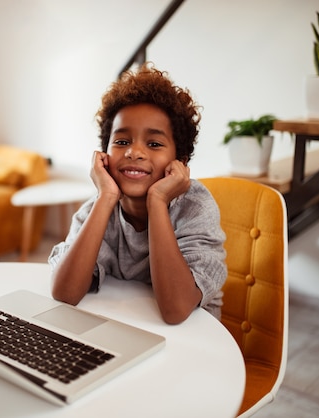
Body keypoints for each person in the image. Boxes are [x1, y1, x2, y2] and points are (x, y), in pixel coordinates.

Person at [48, 63, 226, 325]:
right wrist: (106, 197)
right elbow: (64, 293)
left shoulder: (195, 209)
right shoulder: (97, 209)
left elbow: (176, 310)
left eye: (154, 144)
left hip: (193, 341)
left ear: (180, 161)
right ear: (104, 155)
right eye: (121, 142)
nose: (134, 152)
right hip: (127, 330)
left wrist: (157, 201)